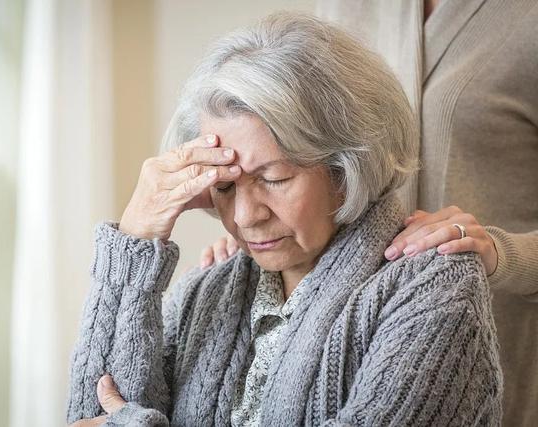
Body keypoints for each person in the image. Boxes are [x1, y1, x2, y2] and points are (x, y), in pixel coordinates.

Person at [66, 13, 503, 426]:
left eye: (273, 179)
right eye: (224, 186)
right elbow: (92, 411)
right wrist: (136, 237)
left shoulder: (436, 289)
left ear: (346, 168)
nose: (245, 216)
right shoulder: (205, 292)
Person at [202, 2, 538, 425]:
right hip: (351, 328)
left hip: (489, 346)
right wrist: (259, 227)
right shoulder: (346, 9)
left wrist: (502, 253)